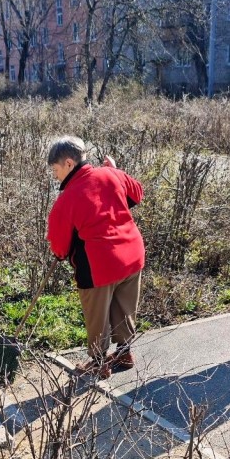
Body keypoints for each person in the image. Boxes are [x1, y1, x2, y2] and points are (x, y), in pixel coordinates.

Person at [46, 135, 145, 378]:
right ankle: (124, 352)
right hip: (132, 255)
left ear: (69, 163)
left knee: (97, 315)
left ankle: (99, 363)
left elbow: (59, 247)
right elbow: (137, 194)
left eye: (55, 169)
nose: (55, 176)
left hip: (99, 265)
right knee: (124, 307)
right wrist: (116, 171)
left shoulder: (67, 199)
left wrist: (61, 253)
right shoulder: (111, 174)